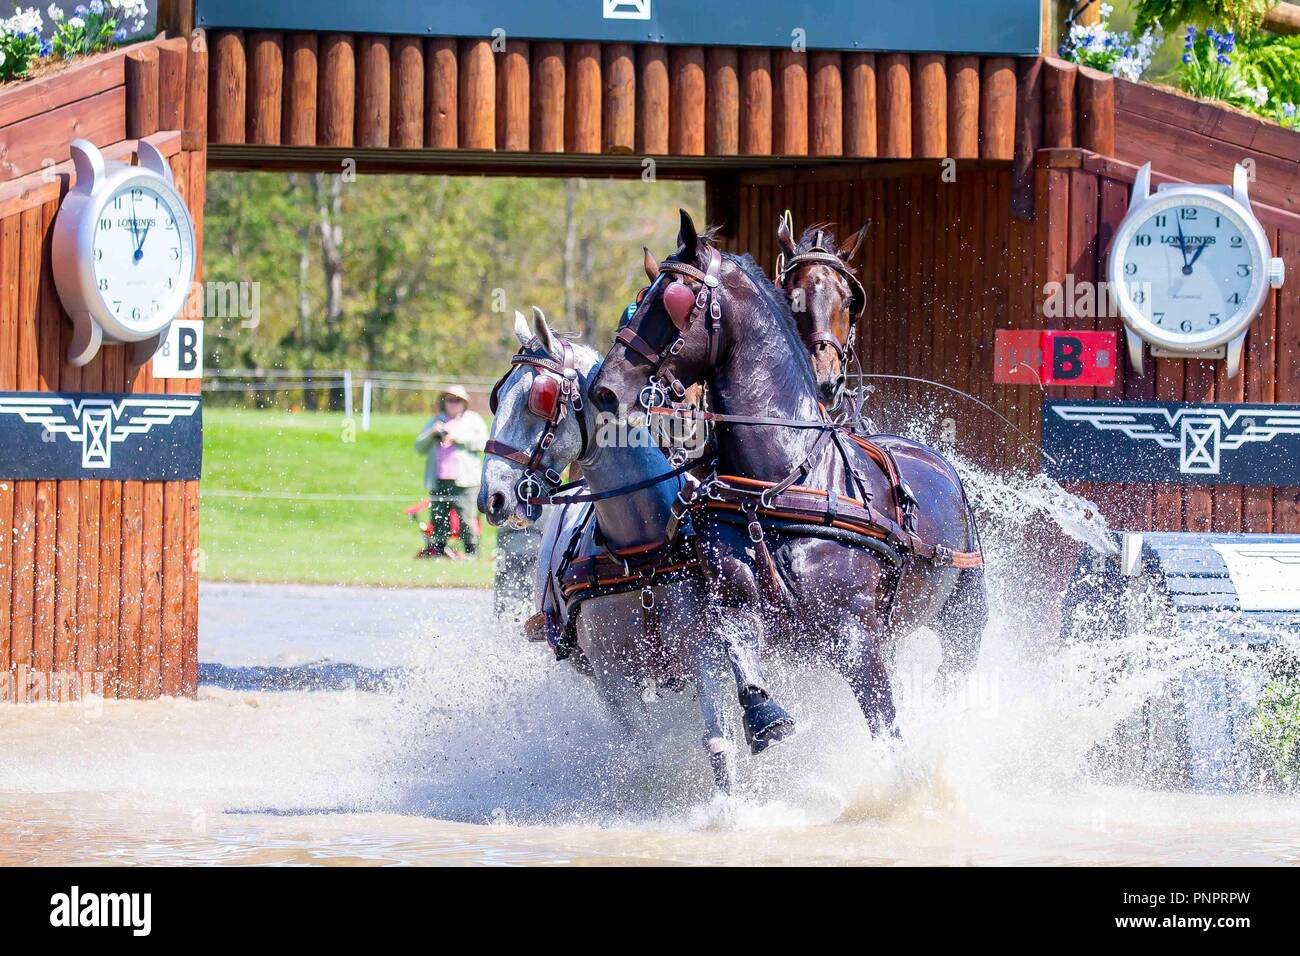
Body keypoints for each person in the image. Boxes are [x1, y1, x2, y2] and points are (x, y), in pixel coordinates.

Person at [414, 385, 487, 558]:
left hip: (465, 481)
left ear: (464, 403)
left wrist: (457, 438)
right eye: (450, 400)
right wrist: (432, 433)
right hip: (439, 479)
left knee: (466, 519)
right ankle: (438, 551)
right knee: (438, 518)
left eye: (457, 400)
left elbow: (484, 443)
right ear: (444, 402)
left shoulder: (473, 420)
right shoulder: (436, 421)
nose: (453, 404)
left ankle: (471, 553)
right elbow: (419, 447)